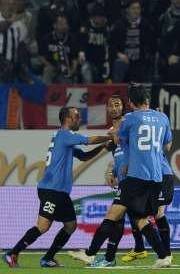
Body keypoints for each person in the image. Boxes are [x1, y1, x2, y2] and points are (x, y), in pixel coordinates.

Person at [68, 84, 172, 268]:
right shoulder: (162, 117)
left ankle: (91, 254)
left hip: (137, 176)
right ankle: (164, 255)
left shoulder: (130, 119)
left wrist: (118, 140)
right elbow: (167, 147)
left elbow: (117, 140)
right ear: (147, 100)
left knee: (113, 214)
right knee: (140, 218)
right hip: (156, 177)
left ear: (130, 103)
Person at [2, 107, 110, 268]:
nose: (79, 119)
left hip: (59, 192)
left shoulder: (64, 139)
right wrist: (109, 137)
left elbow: (85, 156)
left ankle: (47, 258)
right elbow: (89, 140)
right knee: (43, 226)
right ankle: (12, 253)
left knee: (71, 225)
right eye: (77, 116)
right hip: (51, 190)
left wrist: (104, 147)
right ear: (67, 119)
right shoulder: (65, 135)